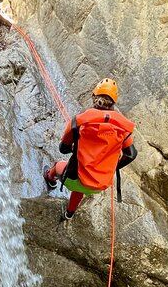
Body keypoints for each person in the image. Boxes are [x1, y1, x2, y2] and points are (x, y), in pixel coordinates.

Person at [43, 78, 137, 220]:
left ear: (94, 97)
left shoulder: (78, 121)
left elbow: (63, 148)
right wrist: (112, 166)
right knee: (80, 188)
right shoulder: (122, 128)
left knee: (58, 167)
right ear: (114, 102)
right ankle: (69, 214)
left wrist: (77, 148)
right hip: (99, 185)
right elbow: (131, 154)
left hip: (75, 178)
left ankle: (50, 179)